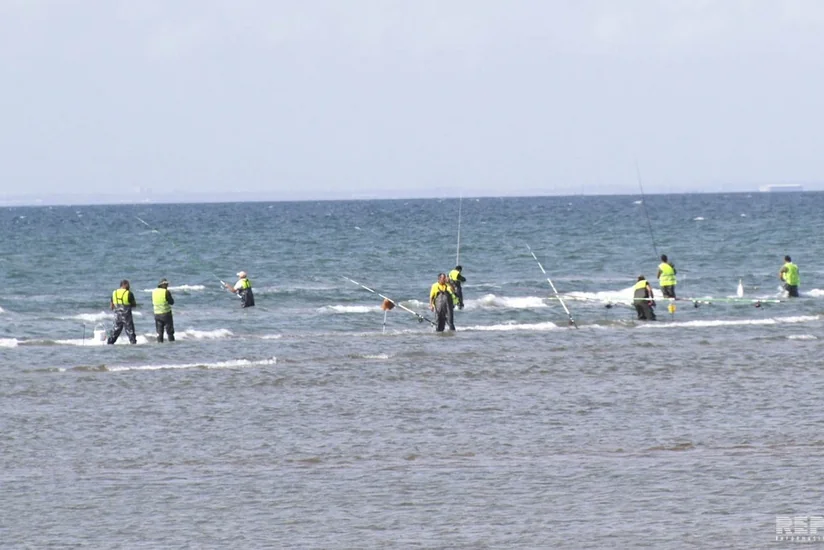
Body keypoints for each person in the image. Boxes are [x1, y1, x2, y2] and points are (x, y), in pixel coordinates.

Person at [108, 279, 137, 344]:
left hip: (117, 317)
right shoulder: (129, 293)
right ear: (125, 285)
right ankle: (134, 347)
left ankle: (109, 346)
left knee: (114, 333)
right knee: (131, 333)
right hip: (127, 317)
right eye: (128, 285)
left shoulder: (114, 293)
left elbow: (111, 307)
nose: (129, 287)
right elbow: (134, 305)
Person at [152, 278, 175, 343]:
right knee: (170, 332)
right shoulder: (166, 292)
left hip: (157, 314)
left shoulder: (154, 291)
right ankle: (172, 345)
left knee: (159, 333)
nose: (167, 286)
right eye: (166, 284)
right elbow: (171, 302)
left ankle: (160, 347)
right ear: (164, 285)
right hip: (166, 313)